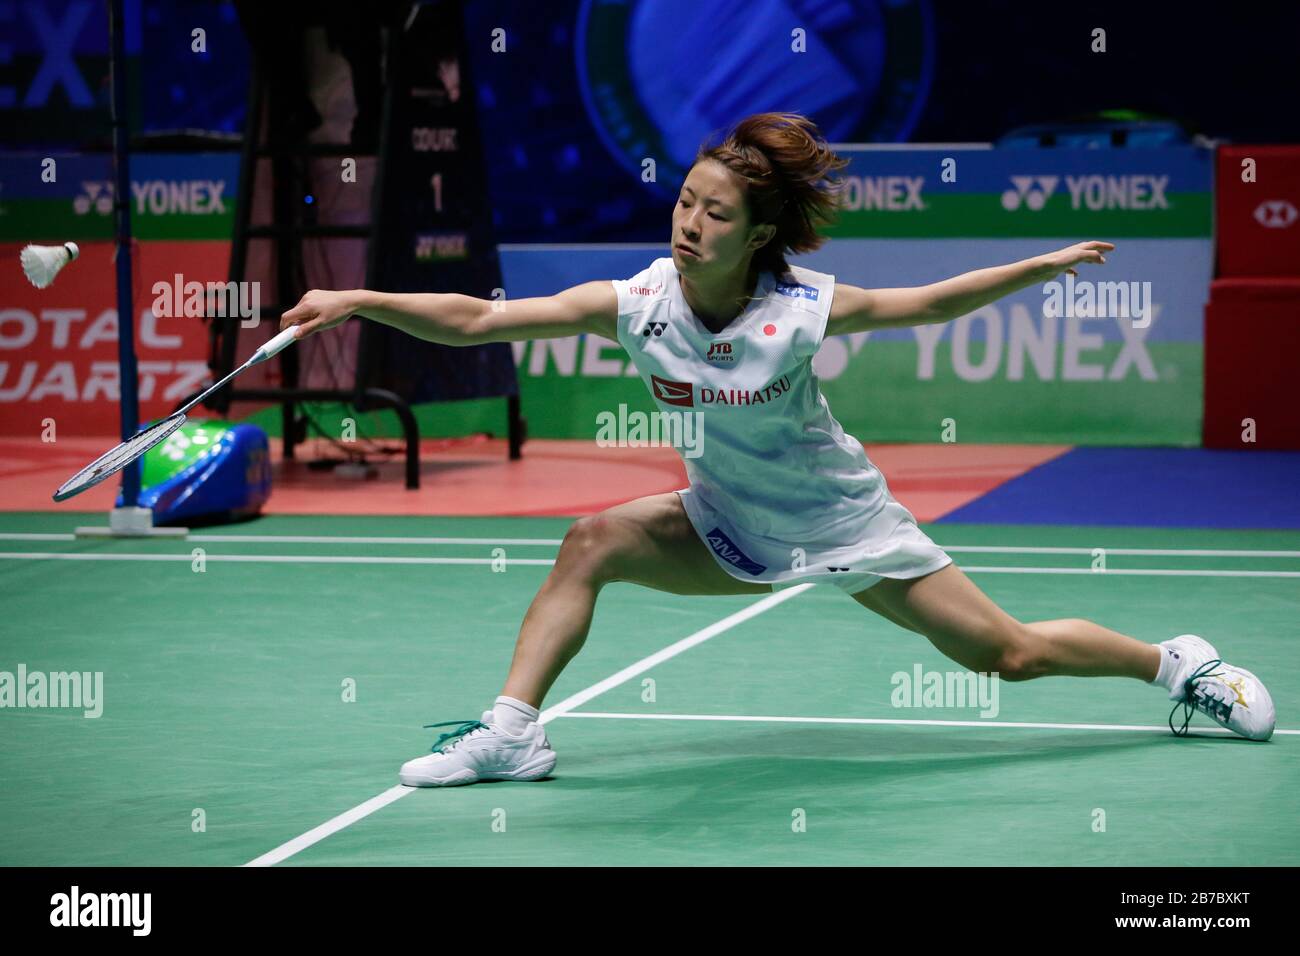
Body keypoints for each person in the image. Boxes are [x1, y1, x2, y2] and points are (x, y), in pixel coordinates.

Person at [280, 112, 1276, 787]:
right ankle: (511, 733)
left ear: (759, 233)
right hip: (726, 522)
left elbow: (926, 303)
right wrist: (356, 297)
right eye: (685, 202)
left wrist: (1038, 264)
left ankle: (1176, 663)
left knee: (1004, 653)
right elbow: (479, 318)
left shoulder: (801, 312)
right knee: (591, 538)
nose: (690, 221)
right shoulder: (637, 305)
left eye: (716, 212)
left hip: (843, 520)